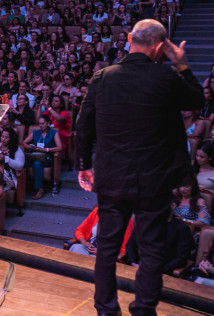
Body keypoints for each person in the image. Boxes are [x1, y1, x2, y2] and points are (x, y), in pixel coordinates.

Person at [76, 19, 205, 316]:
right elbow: (197, 99)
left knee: (107, 249)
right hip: (154, 180)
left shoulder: (102, 77)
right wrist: (182, 64)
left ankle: (106, 310)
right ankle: (143, 311)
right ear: (160, 47)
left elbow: (83, 128)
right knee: (151, 250)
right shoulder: (167, 77)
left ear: (130, 38)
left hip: (111, 177)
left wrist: (83, 165)